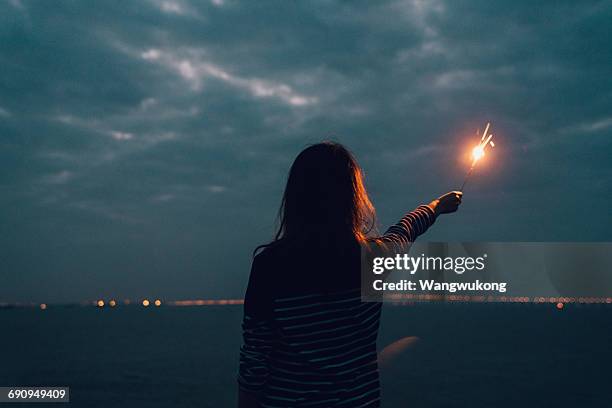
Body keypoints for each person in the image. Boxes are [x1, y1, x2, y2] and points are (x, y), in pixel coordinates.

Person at [238, 142, 462, 407]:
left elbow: (255, 363)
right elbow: (405, 231)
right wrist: (436, 206)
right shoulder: (372, 258)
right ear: (350, 198)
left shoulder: (270, 268)